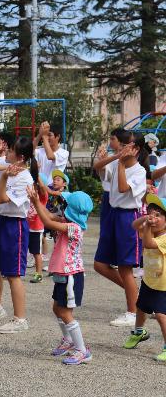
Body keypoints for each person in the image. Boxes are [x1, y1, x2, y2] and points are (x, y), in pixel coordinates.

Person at [29, 187, 94, 365]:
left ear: (71, 210)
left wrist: (36, 203)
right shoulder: (66, 221)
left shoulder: (74, 227)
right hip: (61, 273)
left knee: (65, 312)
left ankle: (82, 350)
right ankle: (68, 340)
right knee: (57, 308)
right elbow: (48, 216)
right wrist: (38, 202)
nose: (60, 207)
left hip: (71, 275)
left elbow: (48, 223)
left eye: (64, 205)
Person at [0, 136, 35, 334]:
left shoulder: (25, 179)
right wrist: (1, 167)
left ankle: (20, 319)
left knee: (13, 274)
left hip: (15, 225)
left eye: (9, 151)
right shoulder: (7, 166)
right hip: (0, 222)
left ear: (19, 157)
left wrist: (3, 177)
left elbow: (1, 199)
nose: (6, 153)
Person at [93, 131, 148, 327]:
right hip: (113, 214)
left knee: (125, 268)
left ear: (137, 149)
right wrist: (115, 157)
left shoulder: (140, 171)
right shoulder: (118, 163)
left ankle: (132, 312)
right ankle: (136, 295)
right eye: (122, 144)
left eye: (128, 145)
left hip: (128, 218)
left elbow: (124, 188)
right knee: (100, 264)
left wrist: (121, 164)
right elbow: (97, 167)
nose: (124, 148)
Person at [125, 194, 166, 362]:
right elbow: (134, 225)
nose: (153, 218)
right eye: (151, 213)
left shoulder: (163, 238)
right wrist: (144, 218)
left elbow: (148, 243)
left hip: (163, 285)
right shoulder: (148, 230)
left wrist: (148, 225)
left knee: (162, 316)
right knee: (141, 308)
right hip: (149, 281)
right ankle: (139, 332)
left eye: (158, 215)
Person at [28, 173, 49, 283]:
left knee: (36, 252)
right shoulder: (28, 197)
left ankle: (39, 273)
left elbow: (42, 188)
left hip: (36, 229)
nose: (33, 188)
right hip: (26, 227)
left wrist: (37, 176)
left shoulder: (43, 198)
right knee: (22, 250)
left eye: (35, 186)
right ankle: (17, 271)